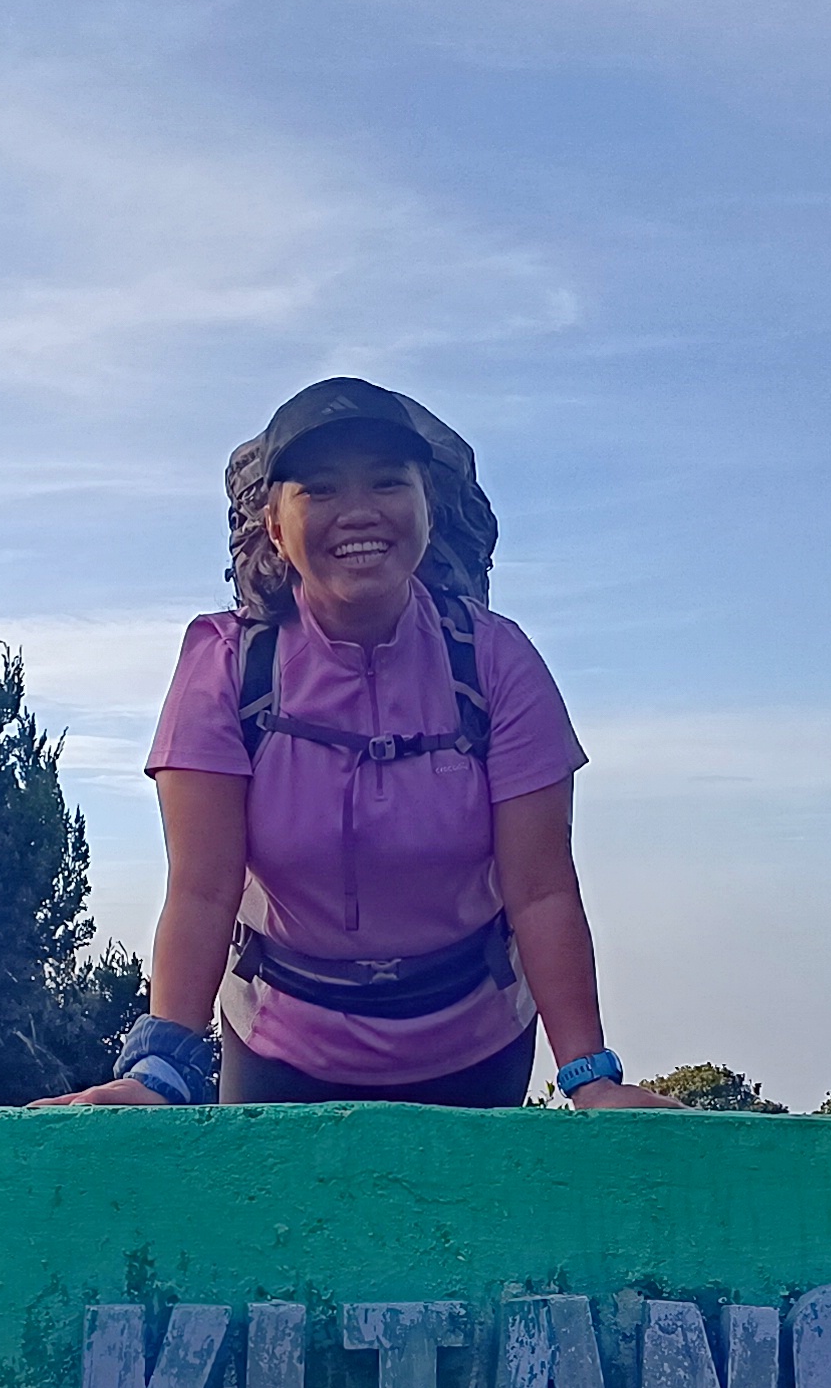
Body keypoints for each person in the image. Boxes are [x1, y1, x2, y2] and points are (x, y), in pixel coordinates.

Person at [43, 377, 678, 1111]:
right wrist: (157, 1074)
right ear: (274, 525)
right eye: (319, 489)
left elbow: (541, 890)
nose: (358, 512)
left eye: (387, 482)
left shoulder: (497, 660)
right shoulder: (224, 665)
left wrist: (591, 1080)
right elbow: (202, 888)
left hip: (475, 1042)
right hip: (282, 1044)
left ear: (427, 508)